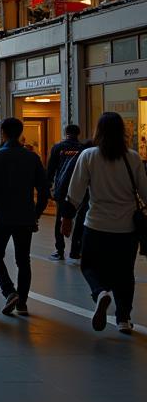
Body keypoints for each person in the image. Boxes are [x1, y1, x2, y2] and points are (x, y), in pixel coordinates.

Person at [64, 111, 147, 334]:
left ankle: (100, 293)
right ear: (123, 132)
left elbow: (75, 193)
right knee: (124, 273)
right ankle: (123, 319)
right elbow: (145, 193)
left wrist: (67, 219)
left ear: (98, 131)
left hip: (96, 226)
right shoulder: (133, 157)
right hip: (127, 229)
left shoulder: (89, 155)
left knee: (89, 266)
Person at [0, 117, 49, 316]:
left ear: (2, 132)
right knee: (23, 260)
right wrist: (36, 213)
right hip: (25, 216)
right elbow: (43, 189)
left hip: (1, 215)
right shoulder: (32, 157)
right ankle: (22, 302)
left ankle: (9, 291)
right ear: (21, 133)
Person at [47, 124, 85, 260]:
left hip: (62, 188)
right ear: (78, 133)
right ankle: (76, 249)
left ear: (65, 133)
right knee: (80, 219)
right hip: (80, 189)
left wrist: (48, 187)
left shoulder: (58, 148)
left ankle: (60, 250)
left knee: (60, 219)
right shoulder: (83, 149)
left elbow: (51, 169)